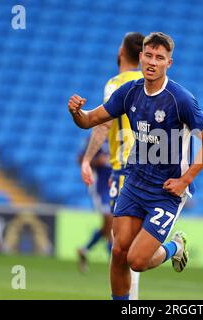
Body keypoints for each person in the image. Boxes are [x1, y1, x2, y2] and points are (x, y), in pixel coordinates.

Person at [68, 32, 203, 300]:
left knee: (137, 260)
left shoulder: (180, 99)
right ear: (140, 57)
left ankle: (175, 247)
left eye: (159, 58)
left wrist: (185, 180)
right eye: (148, 55)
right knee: (118, 252)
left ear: (168, 63)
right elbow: (91, 120)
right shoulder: (129, 92)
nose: (152, 62)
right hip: (135, 182)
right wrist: (77, 113)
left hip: (166, 190)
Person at [79, 32, 144, 299]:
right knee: (128, 247)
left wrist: (87, 158)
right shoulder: (150, 82)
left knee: (122, 247)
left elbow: (103, 124)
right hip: (145, 167)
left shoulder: (115, 84)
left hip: (125, 171)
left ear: (121, 52)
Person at [77, 140, 112, 273]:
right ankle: (112, 261)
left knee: (110, 226)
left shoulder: (120, 134)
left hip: (116, 186)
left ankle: (84, 249)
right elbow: (80, 158)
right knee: (110, 222)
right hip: (101, 190)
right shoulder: (95, 139)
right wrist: (97, 161)